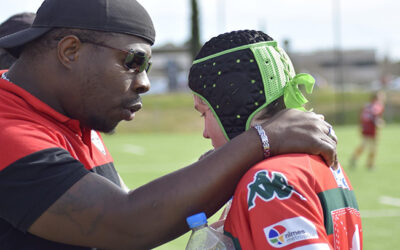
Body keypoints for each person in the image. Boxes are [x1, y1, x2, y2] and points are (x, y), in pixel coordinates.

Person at [0, 1, 337, 249]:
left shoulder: (70, 117)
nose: (145, 82)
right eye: (133, 61)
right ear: (70, 51)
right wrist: (263, 138)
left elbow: (124, 207)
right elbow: (126, 224)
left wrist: (219, 168)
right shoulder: (7, 126)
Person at [189, 30, 362, 249]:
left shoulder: (269, 180)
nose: (204, 132)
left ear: (231, 109)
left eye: (204, 113)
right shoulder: (318, 162)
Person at [350, 91, 385, 170]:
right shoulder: (377, 106)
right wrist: (379, 122)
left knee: (366, 146)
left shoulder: (366, 106)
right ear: (376, 98)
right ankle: (369, 164)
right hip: (371, 129)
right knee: (371, 147)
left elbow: (362, 116)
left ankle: (359, 160)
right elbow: (374, 117)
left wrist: (360, 126)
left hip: (366, 128)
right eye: (381, 97)